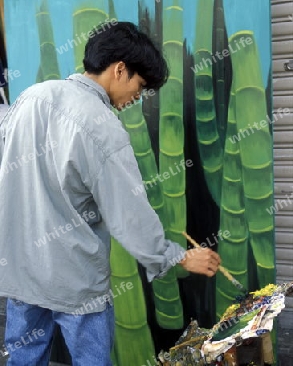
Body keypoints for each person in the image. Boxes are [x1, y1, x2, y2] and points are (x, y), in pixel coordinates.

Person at [0, 22, 220, 366]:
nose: (137, 97)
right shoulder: (100, 125)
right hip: (76, 281)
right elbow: (128, 212)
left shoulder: (31, 97)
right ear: (120, 69)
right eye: (140, 85)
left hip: (21, 273)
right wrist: (175, 257)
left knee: (24, 358)